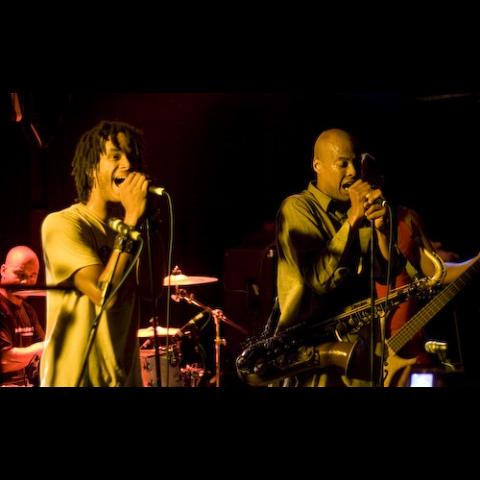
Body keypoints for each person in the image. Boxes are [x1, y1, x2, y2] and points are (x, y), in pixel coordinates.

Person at [275, 128, 397, 387]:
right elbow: (319, 280)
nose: (353, 172)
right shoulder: (297, 207)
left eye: (355, 163)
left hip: (363, 356)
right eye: (342, 164)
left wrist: (382, 230)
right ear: (317, 165)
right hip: (315, 361)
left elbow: (385, 274)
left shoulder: (358, 210)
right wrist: (352, 220)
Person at [39, 120, 149, 387]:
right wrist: (132, 219)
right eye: (115, 156)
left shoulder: (126, 231)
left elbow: (152, 292)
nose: (127, 164)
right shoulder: (62, 224)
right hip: (75, 380)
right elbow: (104, 295)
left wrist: (145, 221)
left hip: (123, 379)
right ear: (90, 168)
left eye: (131, 157)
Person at [0, 246, 45, 387]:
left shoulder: (28, 310)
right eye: (20, 274)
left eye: (32, 276)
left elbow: (44, 353)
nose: (26, 282)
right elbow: (4, 361)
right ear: (3, 271)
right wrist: (39, 349)